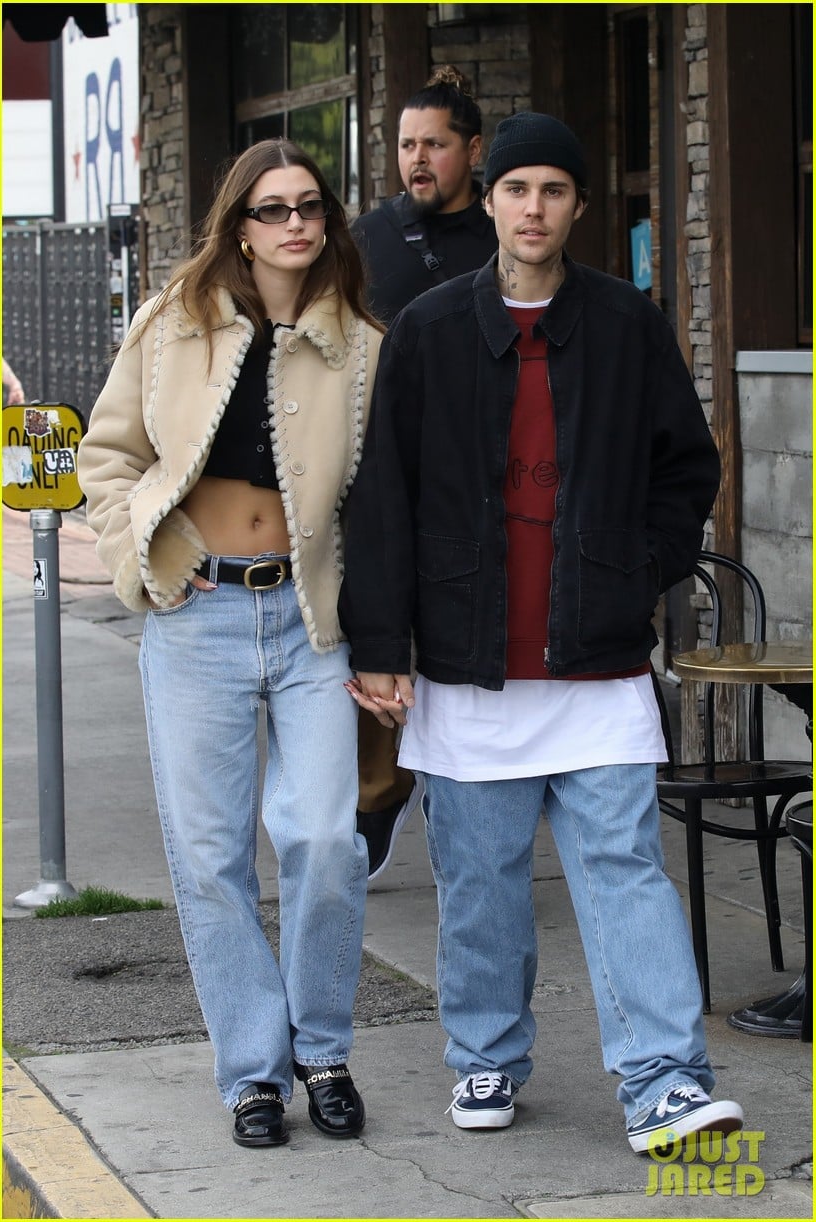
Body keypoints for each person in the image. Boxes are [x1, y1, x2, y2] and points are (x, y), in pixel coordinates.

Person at [339, 112, 744, 1153]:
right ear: (492, 199)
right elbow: (381, 495)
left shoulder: (625, 323)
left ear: (576, 206)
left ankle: (663, 1079)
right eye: (517, 189)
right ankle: (484, 1057)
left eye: (554, 191)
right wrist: (379, 641)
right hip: (472, 664)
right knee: (480, 885)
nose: (533, 208)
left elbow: (685, 469)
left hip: (594, 658)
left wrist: (630, 568)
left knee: (622, 869)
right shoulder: (427, 329)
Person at [78, 139, 384, 1149]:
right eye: (272, 208)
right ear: (238, 225)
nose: (294, 222)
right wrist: (136, 559)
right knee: (210, 857)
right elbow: (110, 452)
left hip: (309, 621)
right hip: (194, 610)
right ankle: (253, 1072)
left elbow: (380, 500)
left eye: (309, 206)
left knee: (326, 841)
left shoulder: (361, 345)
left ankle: (323, 1049)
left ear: (328, 222)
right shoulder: (174, 324)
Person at [350, 65, 498, 881]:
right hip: (380, 467)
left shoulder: (503, 234)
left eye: (433, 145)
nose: (417, 159)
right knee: (376, 627)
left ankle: (456, 806)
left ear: (470, 151)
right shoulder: (369, 236)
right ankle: (379, 790)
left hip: (479, 475)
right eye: (406, 144)